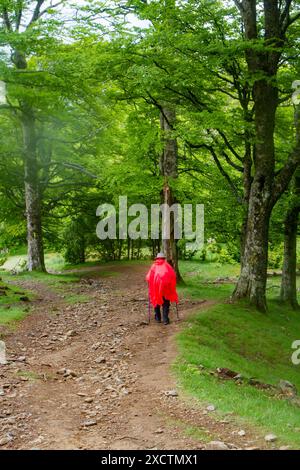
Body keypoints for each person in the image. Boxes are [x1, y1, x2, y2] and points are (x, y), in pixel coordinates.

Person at [146, 252, 178, 325]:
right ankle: (165, 320)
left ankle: (158, 318)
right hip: (165, 289)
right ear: (164, 258)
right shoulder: (167, 266)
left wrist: (151, 281)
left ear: (157, 258)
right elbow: (173, 276)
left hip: (155, 289)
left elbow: (148, 277)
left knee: (156, 301)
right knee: (166, 303)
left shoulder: (153, 266)